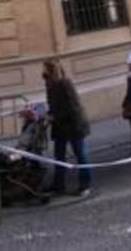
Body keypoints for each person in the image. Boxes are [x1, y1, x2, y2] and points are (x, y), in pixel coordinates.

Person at [43, 59, 92, 196]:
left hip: (74, 125)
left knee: (80, 155)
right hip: (60, 126)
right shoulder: (49, 84)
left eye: (45, 68)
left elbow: (73, 106)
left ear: (52, 69)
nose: (43, 71)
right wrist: (47, 115)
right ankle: (58, 185)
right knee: (59, 155)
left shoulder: (65, 83)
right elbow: (54, 106)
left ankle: (85, 185)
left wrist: (55, 116)